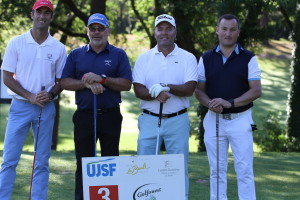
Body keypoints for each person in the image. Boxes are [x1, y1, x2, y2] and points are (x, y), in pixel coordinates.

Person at [60, 13, 132, 200]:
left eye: (101, 28)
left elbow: (126, 84)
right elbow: (65, 82)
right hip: (84, 116)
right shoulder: (76, 54)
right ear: (87, 31)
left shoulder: (118, 54)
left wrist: (102, 79)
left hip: (110, 116)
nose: (97, 32)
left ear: (107, 31)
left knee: (110, 162)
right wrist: (86, 83)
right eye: (93, 28)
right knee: (84, 163)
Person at [0, 0, 67, 199]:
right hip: (20, 106)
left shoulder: (58, 48)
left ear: (52, 17)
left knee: (42, 161)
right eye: (39, 12)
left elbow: (60, 81)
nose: (42, 16)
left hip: (45, 108)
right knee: (9, 159)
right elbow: (6, 77)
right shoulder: (16, 42)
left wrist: (51, 94)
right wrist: (29, 95)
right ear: (32, 14)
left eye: (47, 13)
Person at [195, 14, 262, 200]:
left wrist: (230, 103)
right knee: (216, 170)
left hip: (240, 120)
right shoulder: (206, 58)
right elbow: (199, 91)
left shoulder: (249, 58)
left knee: (244, 169)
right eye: (224, 29)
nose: (228, 33)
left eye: (232, 29)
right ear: (217, 30)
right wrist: (210, 103)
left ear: (238, 32)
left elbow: (256, 90)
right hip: (214, 119)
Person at [132, 14, 198, 199]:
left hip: (178, 120)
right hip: (149, 119)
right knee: (144, 166)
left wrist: (166, 87)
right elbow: (138, 89)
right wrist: (156, 93)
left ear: (175, 31)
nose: (164, 32)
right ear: (155, 32)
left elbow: (189, 88)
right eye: (160, 28)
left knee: (177, 167)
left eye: (168, 28)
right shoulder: (144, 58)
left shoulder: (188, 57)